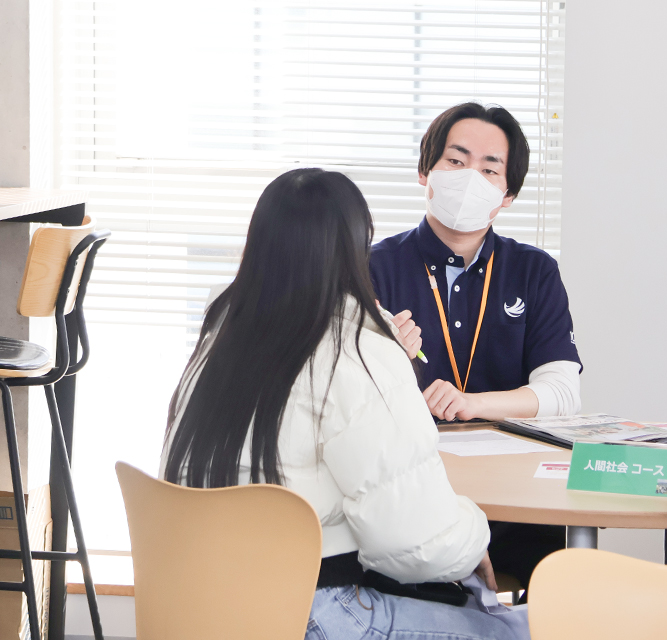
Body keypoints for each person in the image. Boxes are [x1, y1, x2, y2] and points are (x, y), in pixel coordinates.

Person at [160, 168, 528, 640]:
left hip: (198, 605)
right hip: (307, 613)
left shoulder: (221, 335)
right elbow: (416, 543)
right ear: (354, 250)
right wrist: (474, 537)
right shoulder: (355, 353)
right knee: (526, 628)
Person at [369, 102, 581, 594]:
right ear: (425, 172)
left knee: (558, 587)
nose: (469, 178)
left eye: (489, 169)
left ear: (507, 195)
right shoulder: (371, 268)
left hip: (517, 504)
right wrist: (386, 355)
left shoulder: (534, 271)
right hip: (410, 495)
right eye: (456, 160)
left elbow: (562, 394)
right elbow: (341, 396)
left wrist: (472, 404)